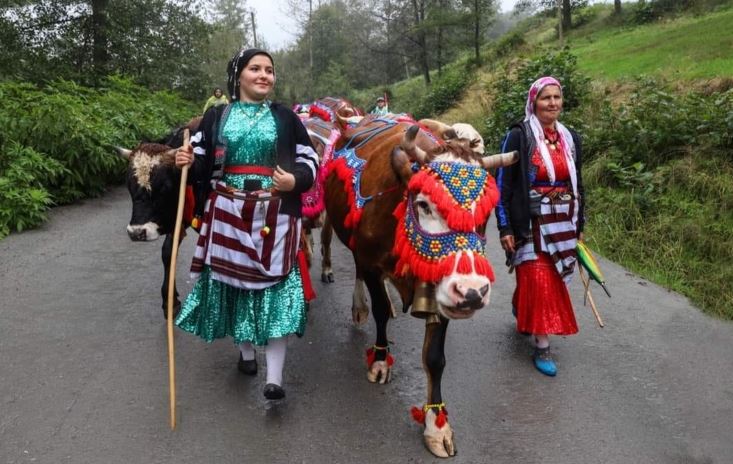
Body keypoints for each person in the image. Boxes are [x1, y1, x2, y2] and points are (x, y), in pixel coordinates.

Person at [174, 48, 319, 400]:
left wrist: (295, 181)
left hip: (276, 214)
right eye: (255, 68)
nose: (264, 75)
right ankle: (246, 354)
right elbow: (201, 160)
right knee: (235, 285)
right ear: (238, 75)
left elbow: (309, 158)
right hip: (227, 211)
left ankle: (275, 378)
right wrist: (186, 161)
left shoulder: (286, 118)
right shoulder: (216, 117)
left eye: (269, 70)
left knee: (276, 289)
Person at [495, 76, 585, 377]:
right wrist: (505, 227)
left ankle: (522, 305)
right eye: (546, 97)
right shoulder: (519, 136)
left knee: (553, 277)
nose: (553, 103)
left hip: (563, 222)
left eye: (557, 97)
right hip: (529, 221)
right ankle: (542, 343)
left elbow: (578, 184)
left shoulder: (570, 137)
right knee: (537, 277)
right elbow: (503, 184)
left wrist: (579, 223)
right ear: (534, 102)